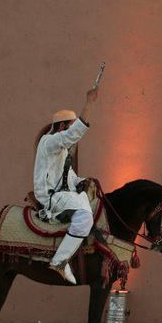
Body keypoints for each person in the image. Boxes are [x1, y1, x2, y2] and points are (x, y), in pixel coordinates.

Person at [33, 86, 99, 284]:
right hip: (50, 197)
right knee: (85, 217)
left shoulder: (60, 151)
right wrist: (90, 104)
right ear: (62, 127)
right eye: (70, 127)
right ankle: (60, 261)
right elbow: (73, 135)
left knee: (89, 203)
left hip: (62, 194)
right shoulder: (50, 142)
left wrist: (85, 181)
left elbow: (68, 177)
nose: (71, 135)